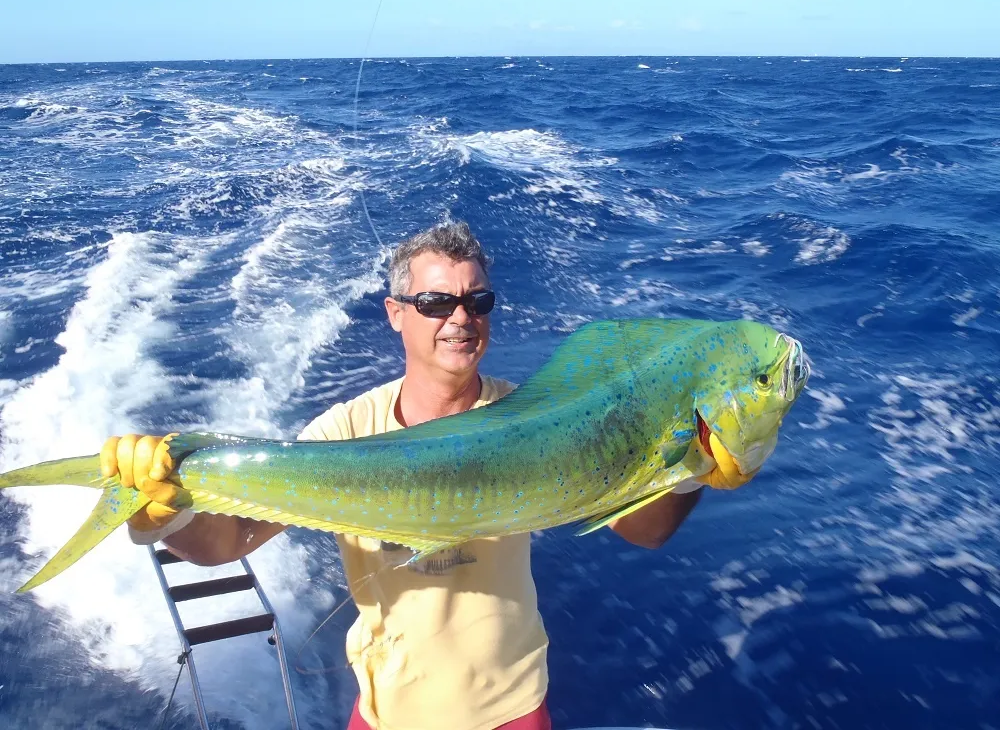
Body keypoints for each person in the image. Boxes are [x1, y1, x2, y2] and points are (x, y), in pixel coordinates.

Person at [101, 221, 732, 730]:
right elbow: (225, 542)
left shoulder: (541, 420)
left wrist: (690, 472)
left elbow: (645, 532)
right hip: (387, 717)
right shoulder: (347, 432)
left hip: (512, 714)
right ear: (396, 313)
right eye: (435, 302)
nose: (460, 317)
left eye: (476, 300)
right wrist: (159, 515)